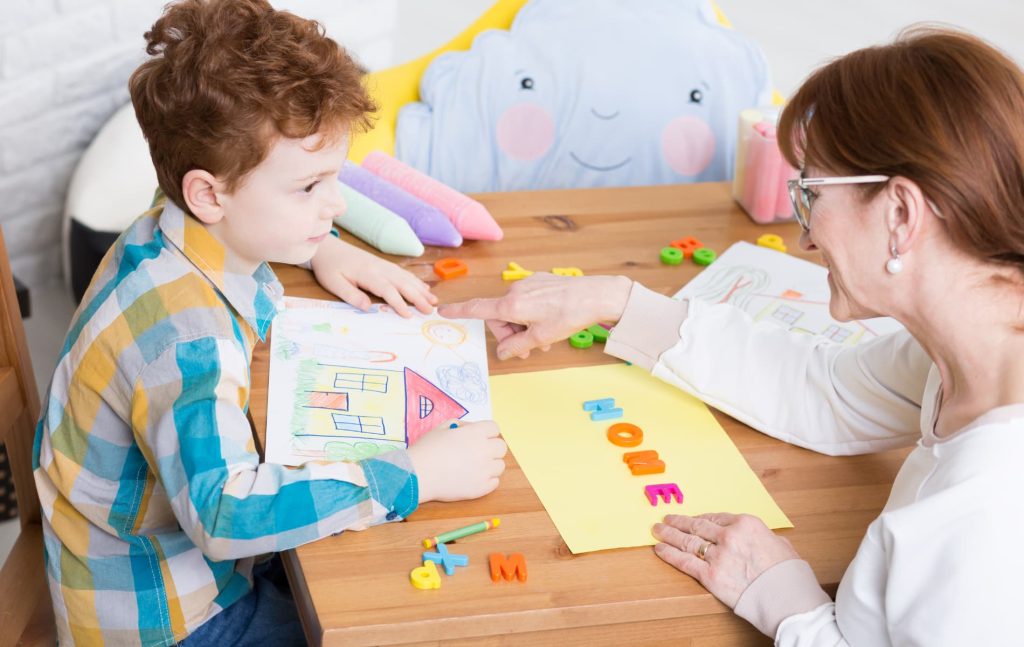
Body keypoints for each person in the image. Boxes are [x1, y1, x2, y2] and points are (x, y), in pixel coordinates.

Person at [440, 27, 1024, 645]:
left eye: (810, 195)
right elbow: (828, 392)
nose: (804, 236)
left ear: (901, 214)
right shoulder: (977, 339)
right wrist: (614, 302)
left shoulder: (986, 512)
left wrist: (787, 602)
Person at [33, 1, 507, 644]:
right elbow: (225, 517)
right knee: (384, 618)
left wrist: (321, 243)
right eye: (309, 187)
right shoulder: (186, 342)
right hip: (169, 615)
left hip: (157, 561)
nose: (335, 204)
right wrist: (413, 476)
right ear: (210, 194)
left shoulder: (175, 215)